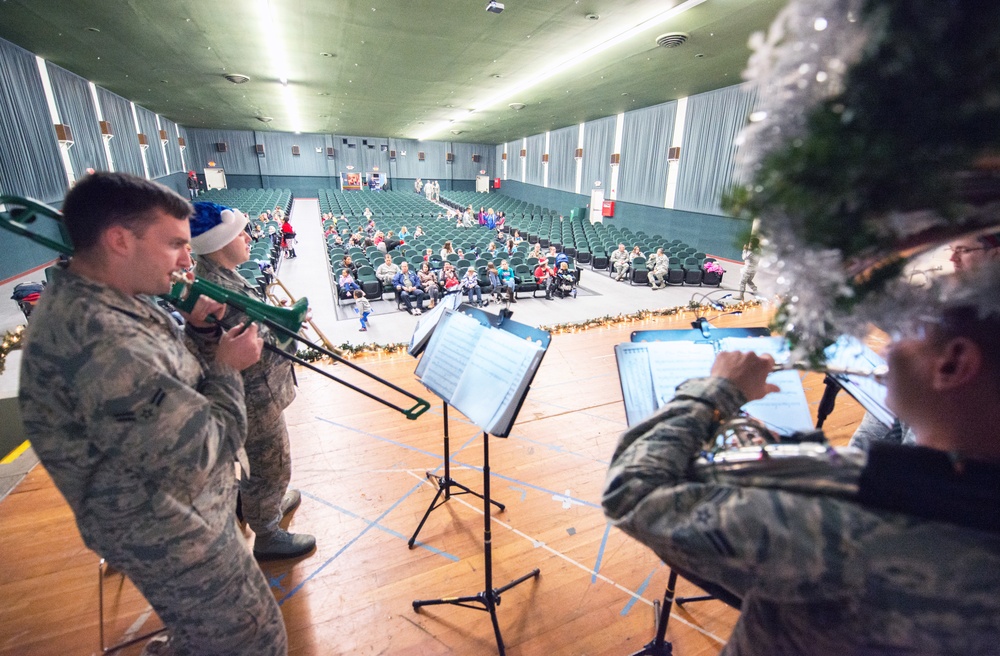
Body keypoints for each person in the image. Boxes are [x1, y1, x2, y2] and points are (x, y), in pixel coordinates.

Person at [603, 274, 1000, 655]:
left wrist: (719, 390)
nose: (886, 349)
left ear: (954, 363)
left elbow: (632, 491)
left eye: (905, 334)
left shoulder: (844, 525)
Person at [19, 172, 287, 655]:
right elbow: (206, 449)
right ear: (120, 240)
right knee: (256, 642)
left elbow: (175, 385)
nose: (189, 260)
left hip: (183, 510)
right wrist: (228, 368)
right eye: (175, 245)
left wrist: (204, 338)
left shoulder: (114, 303)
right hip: (168, 530)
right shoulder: (101, 339)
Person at [188, 201, 315, 561]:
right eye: (239, 232)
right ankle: (267, 532)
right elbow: (248, 342)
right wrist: (290, 329)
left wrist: (288, 323)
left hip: (262, 391)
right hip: (250, 395)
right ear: (217, 242)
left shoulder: (225, 273)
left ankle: (265, 504)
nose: (249, 237)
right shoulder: (213, 286)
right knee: (271, 464)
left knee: (266, 462)